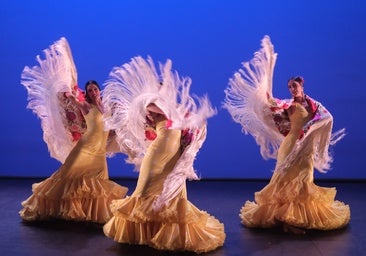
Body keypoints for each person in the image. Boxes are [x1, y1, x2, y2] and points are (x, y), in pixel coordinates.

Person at [223, 35, 350, 234]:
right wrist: (268, 71)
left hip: (305, 145)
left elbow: (326, 118)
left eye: (294, 86)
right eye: (290, 87)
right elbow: (270, 102)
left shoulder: (313, 105)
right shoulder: (288, 105)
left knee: (304, 179)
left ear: (302, 86)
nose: (292, 89)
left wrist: (309, 131)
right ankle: (285, 220)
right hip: (291, 143)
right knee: (284, 178)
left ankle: (296, 218)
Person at [101, 56, 225, 253]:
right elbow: (151, 111)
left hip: (173, 153)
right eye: (159, 90)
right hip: (158, 150)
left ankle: (171, 233)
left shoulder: (174, 110)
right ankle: (144, 231)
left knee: (174, 189)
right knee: (147, 186)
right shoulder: (151, 107)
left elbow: (188, 124)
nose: (162, 93)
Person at [19, 38, 128, 224]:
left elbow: (110, 126)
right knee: (67, 175)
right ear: (87, 93)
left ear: (99, 91)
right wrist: (68, 91)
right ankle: (49, 206)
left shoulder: (107, 109)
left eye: (95, 89)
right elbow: (71, 99)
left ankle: (91, 213)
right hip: (85, 148)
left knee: (97, 184)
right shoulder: (85, 106)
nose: (93, 91)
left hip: (99, 151)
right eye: (90, 90)